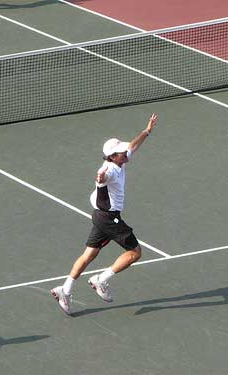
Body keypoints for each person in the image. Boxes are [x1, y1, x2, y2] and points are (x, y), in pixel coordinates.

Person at [50, 113, 159, 315]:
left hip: (100, 217)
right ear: (112, 156)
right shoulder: (108, 171)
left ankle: (64, 290)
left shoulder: (121, 160)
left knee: (89, 254)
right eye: (120, 152)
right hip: (109, 218)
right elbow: (101, 187)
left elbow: (132, 146)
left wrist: (147, 130)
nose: (125, 152)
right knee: (135, 253)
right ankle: (101, 279)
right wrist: (100, 180)